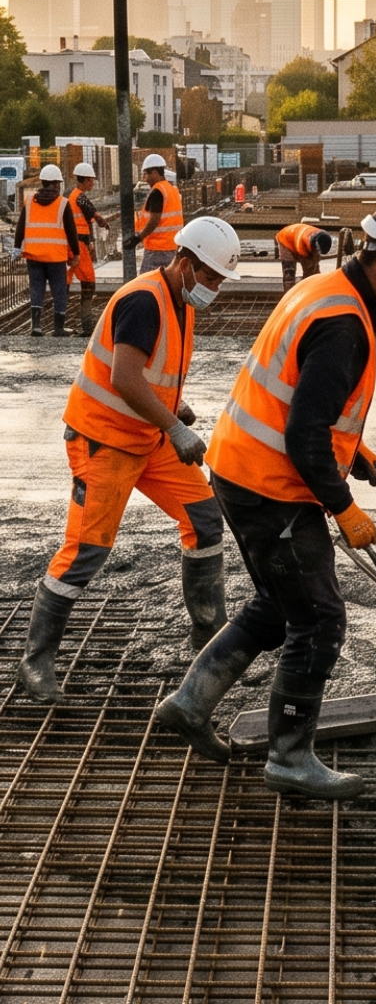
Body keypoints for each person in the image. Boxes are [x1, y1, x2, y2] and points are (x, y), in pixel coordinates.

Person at [155, 198, 376, 797]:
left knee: (278, 604)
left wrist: (355, 448)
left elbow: (303, 398)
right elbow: (303, 434)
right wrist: (343, 507)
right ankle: (290, 758)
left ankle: (189, 704)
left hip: (240, 469)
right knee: (319, 621)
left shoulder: (324, 290)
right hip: (272, 487)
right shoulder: (343, 324)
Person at [18, 217, 243, 703]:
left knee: (205, 519)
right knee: (86, 551)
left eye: (221, 280)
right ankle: (35, 662)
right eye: (211, 277)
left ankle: (208, 638)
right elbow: (123, 377)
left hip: (146, 436)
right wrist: (174, 426)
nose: (215, 287)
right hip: (104, 440)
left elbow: (149, 370)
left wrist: (174, 407)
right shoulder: (144, 300)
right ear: (185, 263)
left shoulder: (180, 301)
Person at [14, 163, 79, 337]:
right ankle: (58, 328)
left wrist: (16, 248)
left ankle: (36, 326)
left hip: (34, 254)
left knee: (36, 288)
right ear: (56, 184)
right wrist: (76, 253)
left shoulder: (29, 201)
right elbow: (71, 231)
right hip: (55, 257)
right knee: (59, 290)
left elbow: (20, 226)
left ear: (42, 182)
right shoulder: (62, 203)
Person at [67, 160, 111, 335]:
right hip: (78, 245)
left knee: (66, 282)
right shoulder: (80, 197)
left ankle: (60, 322)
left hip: (73, 243)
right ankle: (87, 326)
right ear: (85, 180)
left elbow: (88, 221)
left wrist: (91, 239)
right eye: (91, 180)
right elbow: (95, 216)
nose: (93, 183)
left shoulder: (73, 196)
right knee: (88, 283)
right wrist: (105, 224)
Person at [130, 154, 184, 273]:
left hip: (157, 248)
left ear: (154, 172)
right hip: (172, 245)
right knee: (168, 279)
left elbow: (154, 220)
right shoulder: (172, 189)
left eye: (146, 175)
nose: (145, 179)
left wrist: (138, 238)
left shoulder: (157, 192)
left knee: (147, 280)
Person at [276, 222, 334, 290]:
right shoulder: (302, 245)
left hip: (297, 235)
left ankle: (312, 290)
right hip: (285, 240)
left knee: (313, 272)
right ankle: (289, 293)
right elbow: (306, 265)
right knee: (289, 273)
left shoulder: (321, 237)